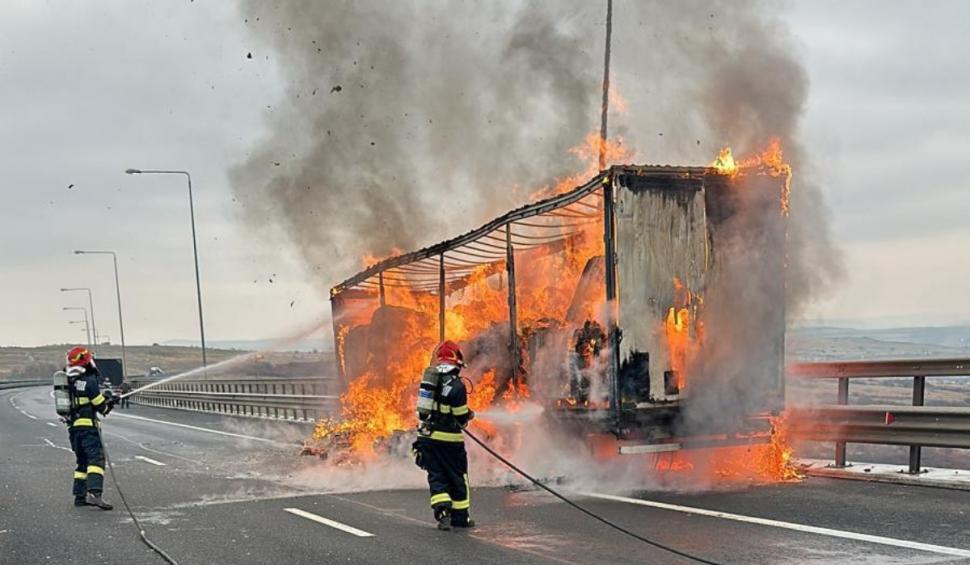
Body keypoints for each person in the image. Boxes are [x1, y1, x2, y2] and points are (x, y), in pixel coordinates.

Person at [412, 341, 475, 530]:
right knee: (457, 477)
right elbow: (460, 415)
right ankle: (460, 518)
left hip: (427, 438)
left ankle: (443, 513)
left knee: (437, 476)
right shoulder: (457, 386)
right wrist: (469, 415)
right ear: (457, 360)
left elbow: (423, 412)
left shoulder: (430, 380)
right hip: (450, 441)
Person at [63, 346, 116, 509]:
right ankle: (95, 494)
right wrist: (110, 399)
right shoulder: (89, 379)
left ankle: (80, 497)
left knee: (82, 462)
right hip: (88, 429)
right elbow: (102, 407)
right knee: (96, 460)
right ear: (87, 361)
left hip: (73, 429)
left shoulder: (67, 380)